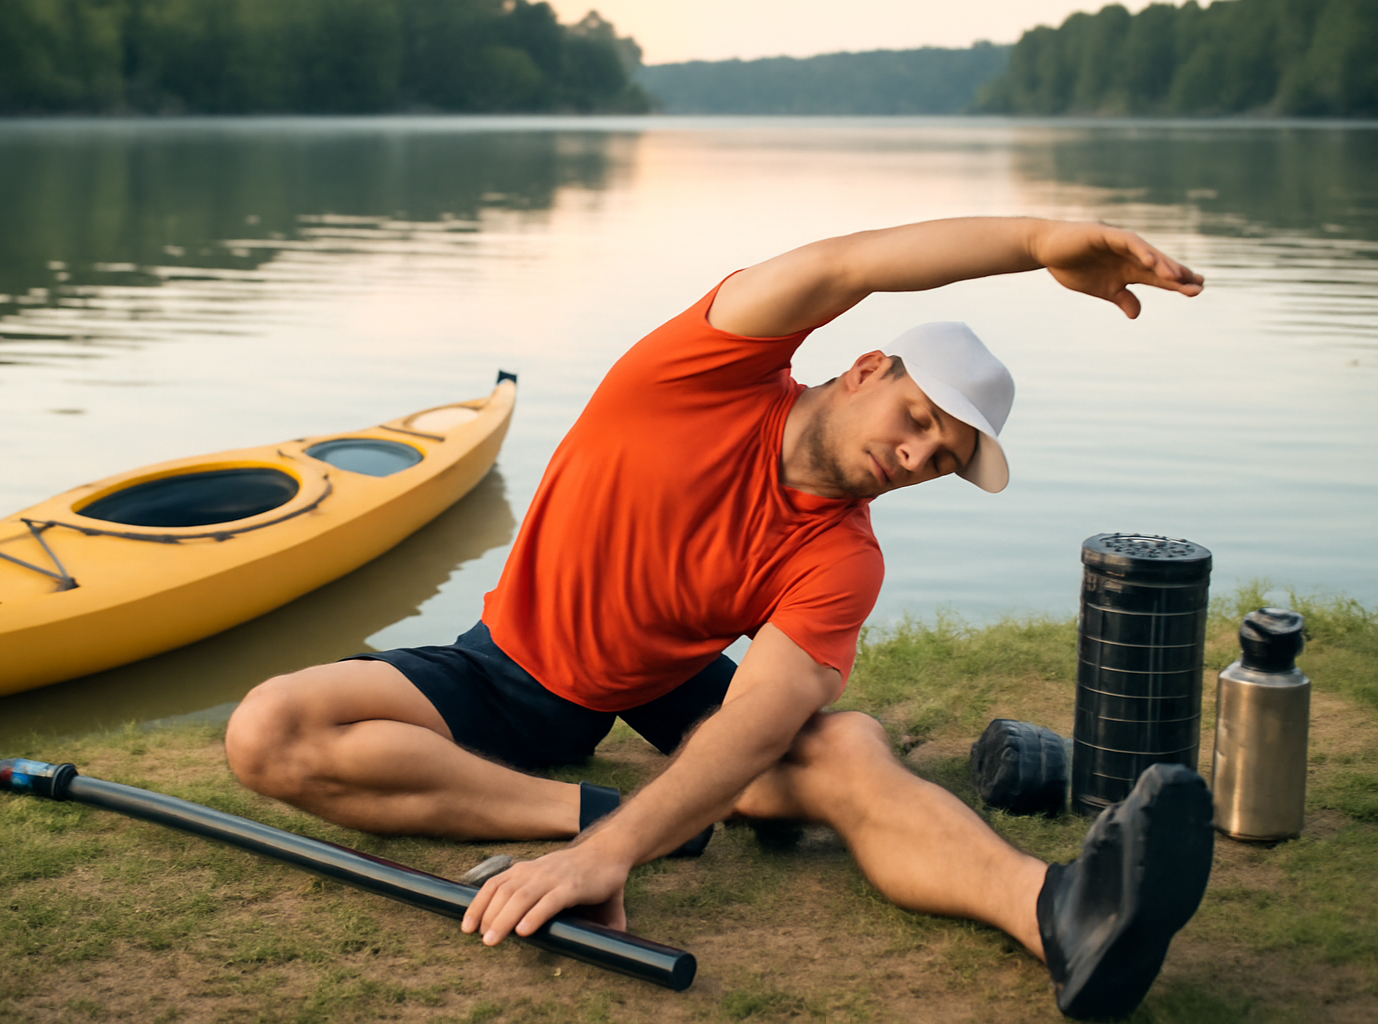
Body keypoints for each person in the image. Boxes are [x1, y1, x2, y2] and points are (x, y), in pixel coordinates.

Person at [224, 216, 1213, 1020]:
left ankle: (1061, 912)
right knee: (268, 730)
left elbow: (753, 724)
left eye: (944, 458)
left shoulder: (843, 557)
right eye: (918, 422)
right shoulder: (704, 368)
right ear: (867, 369)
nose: (917, 458)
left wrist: (615, 855)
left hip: (665, 682)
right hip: (507, 664)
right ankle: (606, 810)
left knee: (846, 745)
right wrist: (1039, 239)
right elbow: (848, 262)